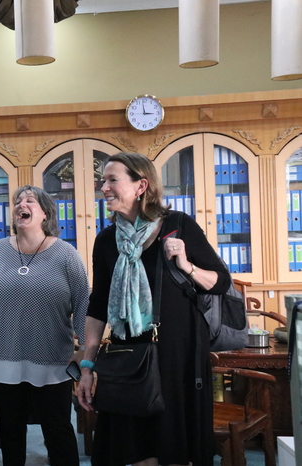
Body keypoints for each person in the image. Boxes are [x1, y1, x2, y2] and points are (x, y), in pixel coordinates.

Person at [76, 152, 230, 466]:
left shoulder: (179, 225)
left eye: (112, 180)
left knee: (175, 448)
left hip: (179, 357)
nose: (103, 188)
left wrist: (186, 265)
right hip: (129, 357)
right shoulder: (106, 240)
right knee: (137, 449)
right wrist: (87, 367)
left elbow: (220, 281)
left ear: (141, 186)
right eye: (103, 181)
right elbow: (98, 305)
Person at [0, 185, 89, 466]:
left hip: (52, 360)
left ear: (45, 213)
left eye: (30, 201)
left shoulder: (66, 254)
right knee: (10, 431)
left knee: (58, 430)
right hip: (2, 357)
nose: (22, 204)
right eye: (18, 201)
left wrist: (84, 348)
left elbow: (83, 303)